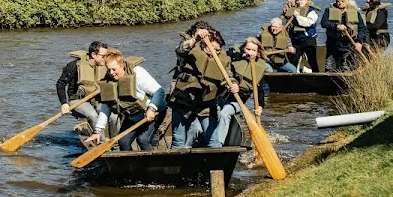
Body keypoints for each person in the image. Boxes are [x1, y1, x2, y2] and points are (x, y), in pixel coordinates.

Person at [167, 21, 232, 149]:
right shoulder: (189, 50)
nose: (213, 52)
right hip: (184, 102)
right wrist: (195, 38)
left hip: (206, 103)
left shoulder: (221, 55)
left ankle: (214, 166)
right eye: (210, 49)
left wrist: (232, 84)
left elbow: (228, 75)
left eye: (217, 50)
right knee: (178, 142)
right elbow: (180, 50)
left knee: (212, 140)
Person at [93, 50, 165, 152]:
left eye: (114, 69)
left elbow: (159, 91)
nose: (111, 73)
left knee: (143, 140)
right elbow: (105, 108)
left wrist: (152, 109)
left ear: (122, 65)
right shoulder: (109, 81)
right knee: (123, 142)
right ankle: (133, 165)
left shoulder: (137, 72)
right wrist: (97, 131)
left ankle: (155, 165)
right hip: (133, 116)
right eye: (109, 70)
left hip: (153, 112)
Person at [206, 37, 267, 148]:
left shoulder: (260, 67)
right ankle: (207, 139)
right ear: (243, 48)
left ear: (258, 52)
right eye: (248, 49)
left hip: (238, 101)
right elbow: (225, 56)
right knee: (213, 115)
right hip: (221, 96)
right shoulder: (234, 58)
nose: (250, 53)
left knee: (225, 113)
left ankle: (216, 145)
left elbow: (260, 90)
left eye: (253, 50)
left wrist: (260, 106)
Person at [56, 41, 110, 143]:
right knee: (93, 115)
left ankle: (114, 139)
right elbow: (60, 84)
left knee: (110, 114)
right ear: (93, 55)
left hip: (97, 99)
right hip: (78, 101)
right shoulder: (74, 66)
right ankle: (103, 142)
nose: (105, 58)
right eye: (103, 56)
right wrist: (64, 103)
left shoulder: (106, 66)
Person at [322, 0, 365, 72]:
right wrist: (336, 26)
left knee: (346, 67)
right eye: (338, 1)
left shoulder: (355, 13)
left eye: (342, 1)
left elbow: (362, 29)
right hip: (333, 45)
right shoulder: (328, 11)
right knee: (329, 68)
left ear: (347, 1)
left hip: (348, 45)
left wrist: (359, 42)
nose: (340, 3)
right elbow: (324, 23)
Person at [284, 0, 320, 72]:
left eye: (301, 0)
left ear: (306, 0)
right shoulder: (294, 10)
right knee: (294, 60)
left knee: (312, 59)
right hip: (296, 39)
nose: (299, 2)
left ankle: (316, 74)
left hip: (309, 39)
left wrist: (297, 16)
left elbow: (307, 23)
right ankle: (292, 76)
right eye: (298, 0)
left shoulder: (311, 11)